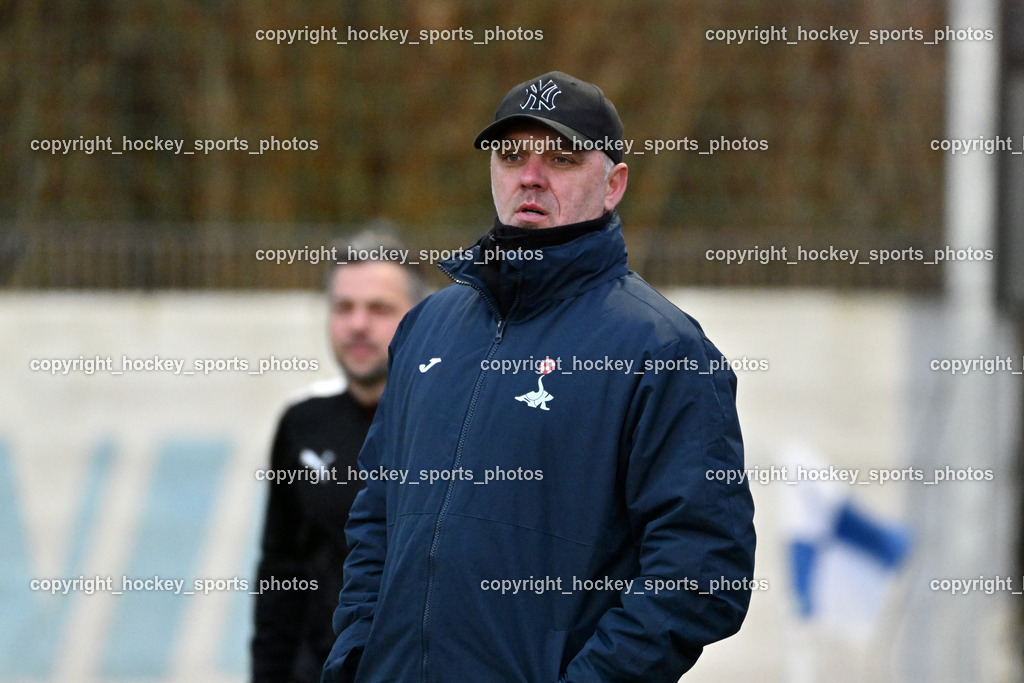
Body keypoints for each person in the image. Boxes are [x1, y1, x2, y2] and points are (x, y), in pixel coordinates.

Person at [323, 71, 756, 682]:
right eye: (511, 154)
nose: (530, 175)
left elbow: (703, 571)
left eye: (562, 157)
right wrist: (355, 658)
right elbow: (375, 516)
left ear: (614, 185)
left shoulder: (663, 351)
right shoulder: (428, 326)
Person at [251, 231, 426, 683]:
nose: (358, 324)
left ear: (421, 317)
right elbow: (281, 572)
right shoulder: (301, 423)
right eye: (344, 307)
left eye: (379, 308)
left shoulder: (459, 423)